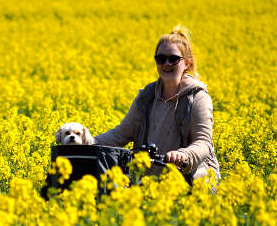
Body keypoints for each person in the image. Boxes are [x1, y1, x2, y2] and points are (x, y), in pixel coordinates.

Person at [94, 26, 220, 184]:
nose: (166, 63)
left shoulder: (197, 96)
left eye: (173, 59)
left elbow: (203, 142)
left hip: (191, 179)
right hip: (150, 181)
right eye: (161, 59)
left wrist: (184, 155)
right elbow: (121, 134)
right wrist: (86, 142)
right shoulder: (147, 96)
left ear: (186, 63)